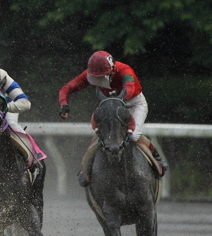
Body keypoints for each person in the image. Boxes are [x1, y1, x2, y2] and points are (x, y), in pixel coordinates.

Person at [58, 51, 167, 185]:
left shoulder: (124, 70)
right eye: (95, 78)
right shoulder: (91, 73)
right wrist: (64, 104)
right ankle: (85, 171)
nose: (98, 81)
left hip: (133, 104)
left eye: (101, 78)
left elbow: (130, 87)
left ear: (112, 70)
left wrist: (119, 98)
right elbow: (66, 88)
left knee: (133, 135)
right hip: (110, 105)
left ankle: (157, 158)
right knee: (103, 136)